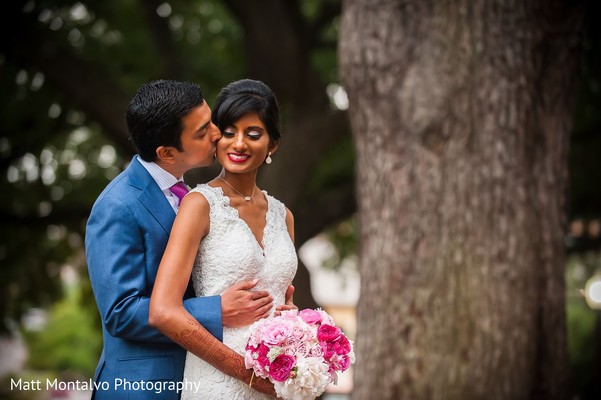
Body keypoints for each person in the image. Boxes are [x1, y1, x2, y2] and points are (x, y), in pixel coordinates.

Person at [85, 79, 278, 400]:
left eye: (210, 122)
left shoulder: (189, 195)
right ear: (167, 152)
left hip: (199, 379)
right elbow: (120, 312)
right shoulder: (118, 206)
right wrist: (216, 310)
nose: (218, 134)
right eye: (202, 132)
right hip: (144, 386)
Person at [149, 79, 298, 399]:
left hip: (276, 383)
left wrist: (292, 321)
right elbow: (162, 311)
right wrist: (247, 374)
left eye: (253, 134)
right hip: (218, 381)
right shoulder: (199, 205)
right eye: (228, 132)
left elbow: (281, 297)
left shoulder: (283, 215)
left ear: (272, 145)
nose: (239, 143)